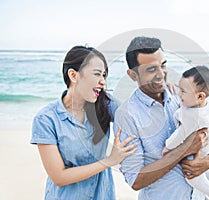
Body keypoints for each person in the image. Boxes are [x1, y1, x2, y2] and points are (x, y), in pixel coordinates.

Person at [113, 36, 209, 200]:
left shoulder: (180, 94)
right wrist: (184, 150)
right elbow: (135, 180)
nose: (161, 75)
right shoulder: (127, 115)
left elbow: (202, 123)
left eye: (163, 65)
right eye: (151, 70)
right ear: (133, 75)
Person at [30, 46, 137, 200]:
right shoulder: (46, 119)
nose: (103, 81)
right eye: (96, 74)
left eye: (104, 75)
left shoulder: (106, 105)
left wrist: (164, 90)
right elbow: (59, 177)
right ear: (74, 75)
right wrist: (109, 161)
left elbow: (137, 116)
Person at [162, 66, 209, 200]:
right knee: (208, 172)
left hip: (193, 153)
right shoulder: (203, 105)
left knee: (192, 177)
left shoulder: (193, 117)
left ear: (200, 96)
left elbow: (180, 135)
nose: (179, 94)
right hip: (204, 148)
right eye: (178, 88)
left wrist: (168, 146)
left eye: (183, 91)